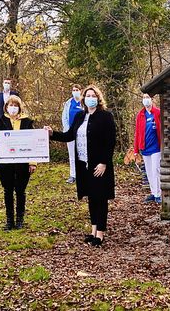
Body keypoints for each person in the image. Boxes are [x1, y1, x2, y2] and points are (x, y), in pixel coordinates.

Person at [45, 85, 116, 247]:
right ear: (83, 99)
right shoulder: (79, 116)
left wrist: (104, 162)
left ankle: (100, 233)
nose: (91, 98)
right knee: (91, 198)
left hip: (99, 165)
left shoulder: (105, 116)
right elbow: (69, 135)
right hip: (84, 165)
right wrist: (52, 134)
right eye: (88, 95)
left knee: (100, 198)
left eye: (93, 95)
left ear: (98, 98)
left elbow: (110, 142)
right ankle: (92, 231)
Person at [0, 95, 37, 230]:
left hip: (23, 163)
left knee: (20, 190)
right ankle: (9, 220)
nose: (13, 108)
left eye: (15, 105)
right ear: (6, 107)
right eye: (10, 105)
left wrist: (32, 162)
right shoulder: (1, 121)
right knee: (8, 191)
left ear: (20, 107)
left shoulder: (27, 122)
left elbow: (33, 142)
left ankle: (20, 220)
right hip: (6, 163)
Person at [134, 93, 162, 204]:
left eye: (147, 98)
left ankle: (158, 194)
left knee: (156, 170)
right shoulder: (141, 115)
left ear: (152, 99)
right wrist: (136, 150)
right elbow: (137, 133)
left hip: (156, 148)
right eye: (144, 98)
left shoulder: (158, 113)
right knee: (149, 172)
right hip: (145, 148)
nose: (146, 100)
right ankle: (153, 192)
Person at [61, 84, 84, 184]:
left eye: (77, 90)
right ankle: (73, 175)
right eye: (73, 90)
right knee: (72, 155)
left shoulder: (84, 102)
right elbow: (64, 118)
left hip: (82, 133)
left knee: (82, 154)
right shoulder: (68, 103)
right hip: (70, 132)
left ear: (81, 90)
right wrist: (67, 130)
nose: (75, 91)